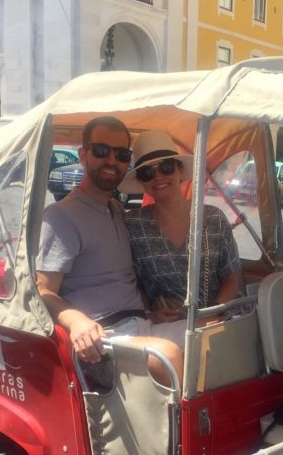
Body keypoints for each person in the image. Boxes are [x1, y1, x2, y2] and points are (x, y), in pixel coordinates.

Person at [34, 116, 184, 385]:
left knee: (215, 333)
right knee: (169, 355)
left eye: (122, 154)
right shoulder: (61, 216)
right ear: (83, 155)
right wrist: (76, 321)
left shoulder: (115, 210)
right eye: (101, 151)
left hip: (140, 325)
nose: (112, 161)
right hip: (105, 337)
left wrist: (150, 312)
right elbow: (42, 290)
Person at [119, 130, 242, 316]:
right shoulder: (133, 225)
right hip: (166, 327)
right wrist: (151, 311)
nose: (158, 176)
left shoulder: (213, 218)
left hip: (220, 319)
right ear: (141, 182)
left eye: (166, 167)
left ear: (180, 171)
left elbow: (232, 278)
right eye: (147, 172)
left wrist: (210, 316)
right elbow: (132, 284)